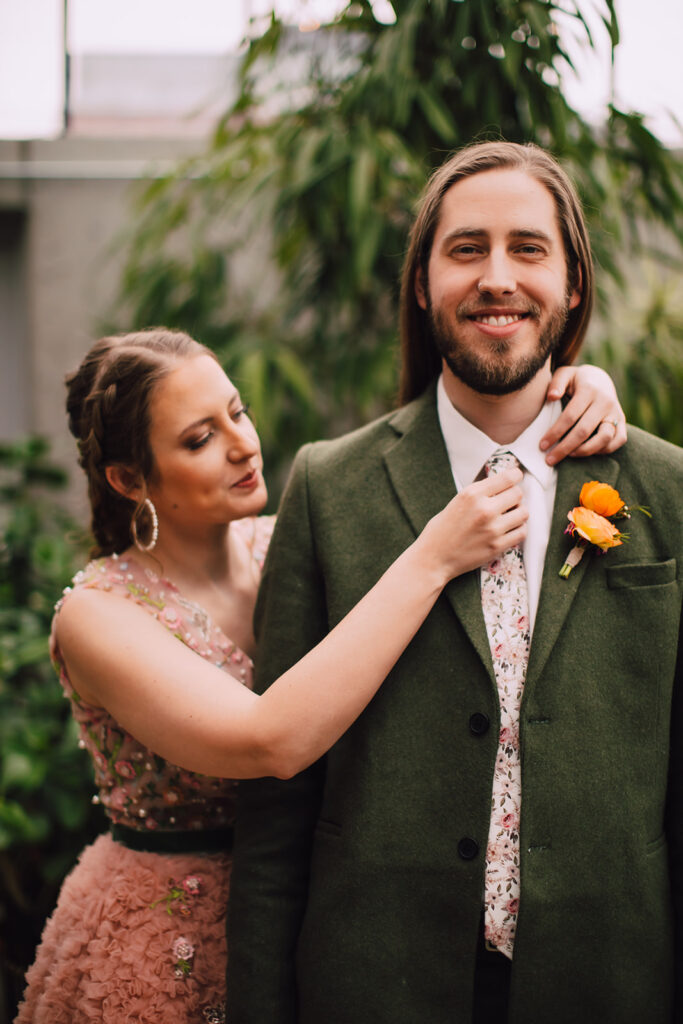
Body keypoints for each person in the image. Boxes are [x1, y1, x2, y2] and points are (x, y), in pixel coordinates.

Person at [15, 327, 620, 1023]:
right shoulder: (97, 614)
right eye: (197, 439)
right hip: (164, 943)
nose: (243, 444)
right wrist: (428, 559)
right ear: (127, 479)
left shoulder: (283, 541)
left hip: (320, 920)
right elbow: (267, 742)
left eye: (236, 413)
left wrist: (572, 391)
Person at [226, 141, 683, 1024]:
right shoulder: (328, 486)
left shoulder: (665, 490)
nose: (497, 276)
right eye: (466, 249)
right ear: (422, 283)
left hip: (608, 980)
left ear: (573, 282)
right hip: (374, 981)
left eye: (529, 248)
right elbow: (276, 814)